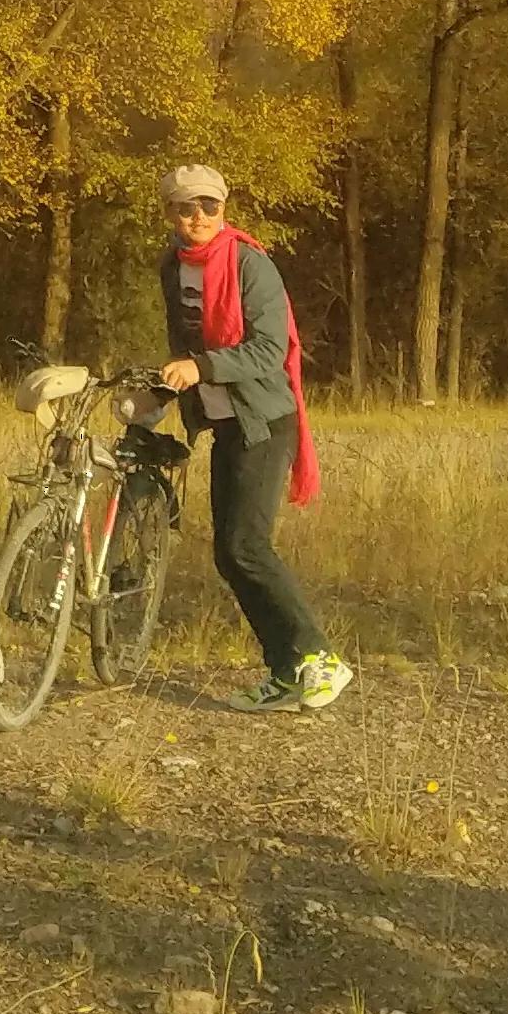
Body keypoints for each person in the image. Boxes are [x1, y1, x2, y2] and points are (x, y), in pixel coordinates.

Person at [149, 162, 350, 713]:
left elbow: (270, 350)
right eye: (187, 207)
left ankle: (320, 658)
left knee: (246, 546)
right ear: (170, 212)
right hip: (226, 422)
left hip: (264, 421)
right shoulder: (172, 266)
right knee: (229, 551)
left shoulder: (249, 264)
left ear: (223, 209)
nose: (199, 217)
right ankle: (289, 673)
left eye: (209, 206)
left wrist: (200, 367)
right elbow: (183, 342)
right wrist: (167, 384)